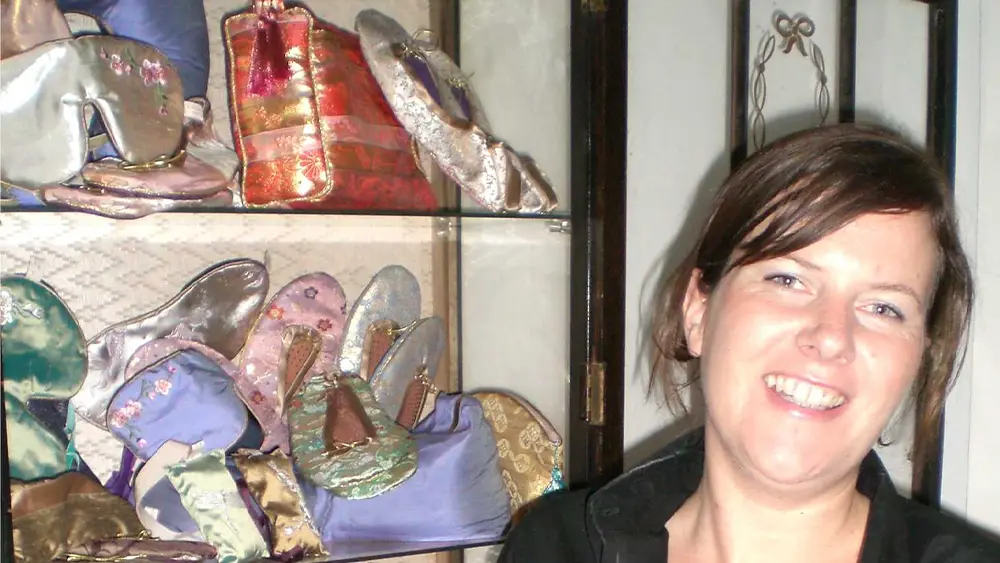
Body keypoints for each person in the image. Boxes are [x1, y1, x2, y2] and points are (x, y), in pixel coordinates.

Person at [499, 124, 1000, 562]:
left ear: (917, 358)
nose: (830, 337)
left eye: (884, 308)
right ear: (698, 311)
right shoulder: (556, 547)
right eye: (787, 279)